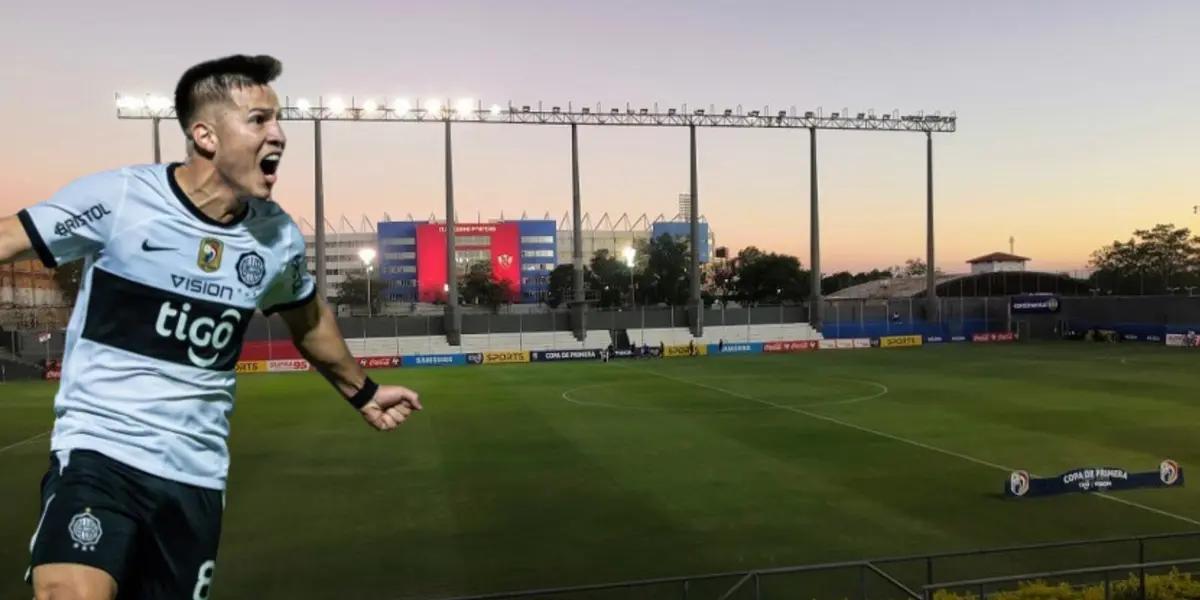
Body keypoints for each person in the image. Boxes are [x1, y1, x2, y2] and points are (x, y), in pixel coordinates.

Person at [0, 55, 423, 600]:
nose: (279, 135)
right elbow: (9, 237)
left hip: (195, 477)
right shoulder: (121, 199)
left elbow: (309, 317)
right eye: (259, 120)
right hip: (100, 452)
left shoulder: (276, 239)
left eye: (279, 119)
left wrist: (361, 391)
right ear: (204, 135)